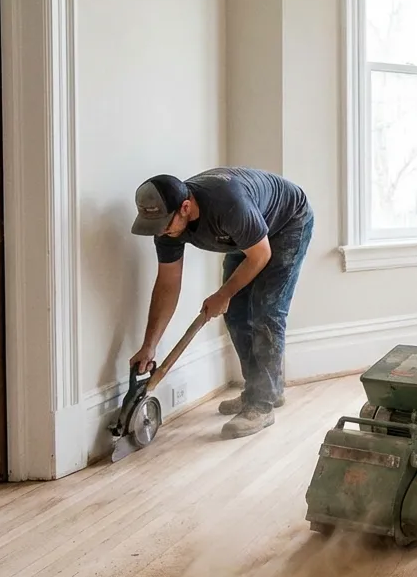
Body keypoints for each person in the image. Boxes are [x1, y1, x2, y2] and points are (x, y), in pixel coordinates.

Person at [129, 168, 314, 440]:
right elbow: (168, 284)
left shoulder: (228, 205)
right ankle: (260, 389)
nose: (163, 233)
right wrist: (149, 345)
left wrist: (223, 294)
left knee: (267, 311)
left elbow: (260, 255)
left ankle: (261, 405)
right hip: (248, 233)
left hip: (287, 223)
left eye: (167, 225)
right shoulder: (165, 225)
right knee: (236, 314)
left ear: (186, 207)